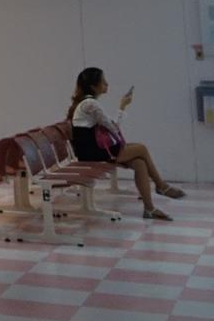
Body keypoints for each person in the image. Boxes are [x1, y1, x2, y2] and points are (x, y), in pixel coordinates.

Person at [69, 66, 185, 220]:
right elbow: (114, 128)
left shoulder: (87, 103)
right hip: (92, 153)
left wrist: (122, 107)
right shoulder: (90, 104)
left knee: (139, 163)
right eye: (103, 82)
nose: (107, 84)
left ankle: (149, 209)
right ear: (93, 86)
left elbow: (110, 127)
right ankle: (161, 185)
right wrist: (122, 106)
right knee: (141, 149)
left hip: (94, 149)